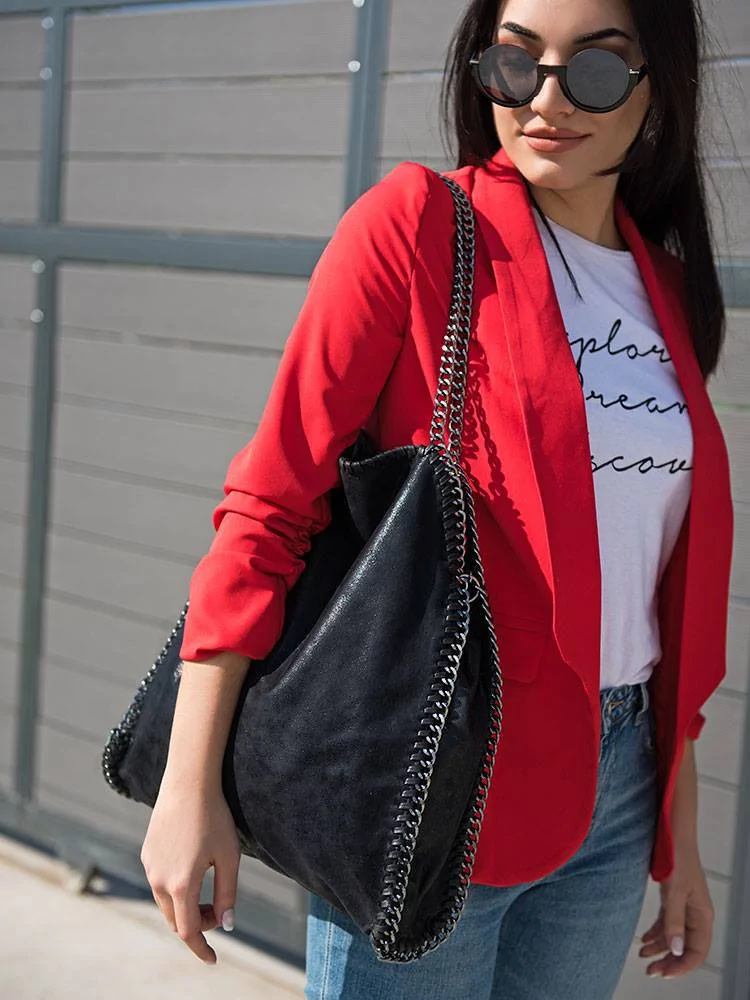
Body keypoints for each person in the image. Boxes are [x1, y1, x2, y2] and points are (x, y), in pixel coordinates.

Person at [138, 0, 735, 997]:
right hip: (431, 773)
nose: (546, 100)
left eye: (595, 71)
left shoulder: (669, 291)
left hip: (620, 789)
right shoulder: (418, 225)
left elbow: (658, 592)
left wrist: (680, 839)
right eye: (516, 64)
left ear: (658, 90)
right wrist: (187, 783)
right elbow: (270, 504)